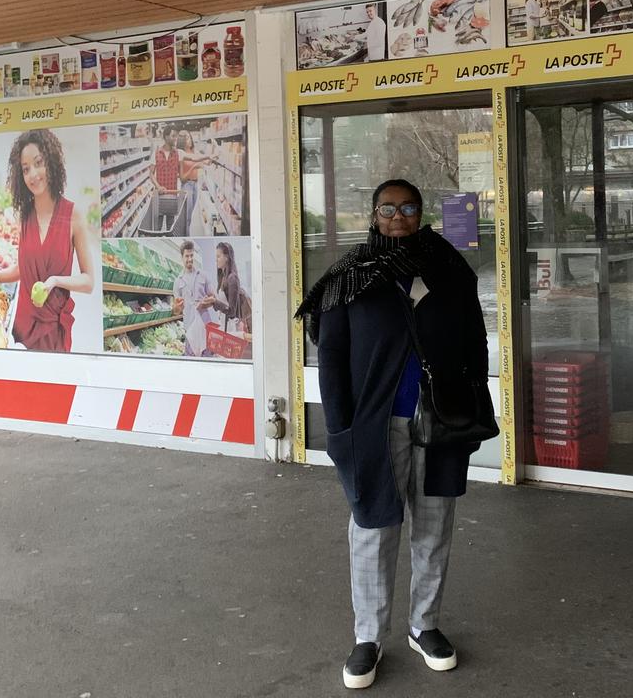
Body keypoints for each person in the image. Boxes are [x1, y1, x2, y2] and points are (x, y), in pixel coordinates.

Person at [295, 179, 488, 690]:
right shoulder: (347, 276)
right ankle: (368, 636)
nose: (398, 216)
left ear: (420, 213)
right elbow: (331, 357)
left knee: (433, 522)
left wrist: (473, 402)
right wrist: (339, 426)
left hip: (439, 422)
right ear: (373, 214)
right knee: (374, 527)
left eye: (408, 208)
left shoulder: (448, 268)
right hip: (373, 425)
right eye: (388, 208)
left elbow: (474, 339)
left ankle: (424, 626)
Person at [0, 129, 95, 351]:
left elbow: (88, 281)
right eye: (26, 169)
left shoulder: (73, 216)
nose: (33, 174)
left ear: (51, 163)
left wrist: (55, 281)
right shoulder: (25, 216)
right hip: (21, 327)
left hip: (53, 331)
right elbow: (23, 268)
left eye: (38, 163)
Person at [172, 240, 215, 358]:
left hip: (205, 326)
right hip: (189, 328)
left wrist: (207, 303)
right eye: (187, 256)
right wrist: (177, 307)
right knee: (192, 363)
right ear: (182, 257)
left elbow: (213, 298)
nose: (190, 259)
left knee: (208, 361)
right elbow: (176, 311)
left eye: (191, 255)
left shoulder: (203, 275)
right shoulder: (178, 281)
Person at [209, 241, 251, 341]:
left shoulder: (232, 278)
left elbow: (232, 311)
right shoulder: (223, 277)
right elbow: (223, 304)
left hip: (231, 328)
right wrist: (212, 301)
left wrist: (215, 302)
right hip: (224, 324)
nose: (216, 259)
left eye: (218, 256)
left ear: (227, 258)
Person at [178, 132, 214, 235]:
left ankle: (186, 234)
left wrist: (213, 151)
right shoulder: (181, 153)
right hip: (186, 186)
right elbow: (183, 179)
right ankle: (186, 236)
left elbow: (207, 161)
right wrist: (194, 167)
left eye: (190, 138)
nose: (190, 140)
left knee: (190, 217)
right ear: (182, 141)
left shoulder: (194, 151)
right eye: (187, 138)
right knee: (187, 218)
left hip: (195, 185)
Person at [152, 126, 180, 195]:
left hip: (173, 194)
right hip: (160, 194)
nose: (175, 139)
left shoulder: (178, 153)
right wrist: (158, 187)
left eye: (176, 136)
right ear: (166, 137)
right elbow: (151, 174)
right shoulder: (156, 153)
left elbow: (192, 158)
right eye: (173, 136)